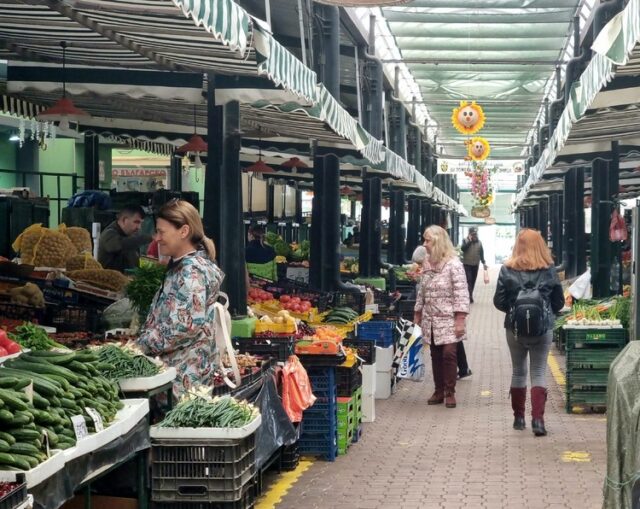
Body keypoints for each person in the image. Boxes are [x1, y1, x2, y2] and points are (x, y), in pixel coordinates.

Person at [136, 200, 224, 399]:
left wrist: (141, 345)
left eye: (161, 232)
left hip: (182, 379)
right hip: (182, 375)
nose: (156, 238)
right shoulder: (183, 267)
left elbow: (184, 325)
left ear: (184, 231)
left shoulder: (191, 272)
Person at [493, 229, 564, 436]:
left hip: (514, 329)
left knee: (518, 371)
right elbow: (558, 302)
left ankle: (518, 418)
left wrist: (515, 311)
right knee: (539, 371)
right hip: (543, 328)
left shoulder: (507, 269)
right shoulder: (549, 269)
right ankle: (538, 421)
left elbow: (498, 301)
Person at [414, 225, 470, 408]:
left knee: (449, 353)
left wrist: (460, 319)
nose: (424, 244)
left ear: (438, 241)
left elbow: (461, 292)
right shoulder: (427, 264)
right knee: (435, 354)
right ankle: (438, 390)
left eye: (428, 240)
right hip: (430, 318)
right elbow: (421, 291)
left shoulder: (454, 265)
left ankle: (450, 391)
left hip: (448, 318)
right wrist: (418, 312)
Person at [98, 205, 152, 272]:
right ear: (124, 220)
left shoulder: (130, 234)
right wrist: (147, 238)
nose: (139, 227)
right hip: (109, 280)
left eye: (140, 223)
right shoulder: (109, 234)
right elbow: (119, 245)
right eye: (136, 222)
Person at [461, 227, 487, 303]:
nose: (475, 235)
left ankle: (470, 294)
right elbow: (463, 249)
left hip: (475, 264)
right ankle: (469, 296)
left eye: (475, 234)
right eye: (473, 234)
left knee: (473, 280)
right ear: (469, 234)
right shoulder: (465, 241)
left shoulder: (479, 242)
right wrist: (469, 241)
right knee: (468, 280)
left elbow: (481, 252)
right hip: (467, 264)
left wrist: (483, 261)